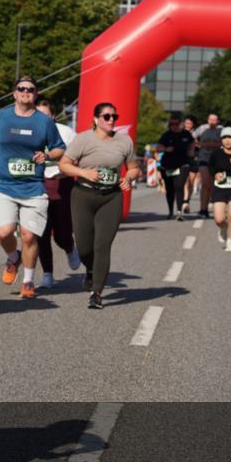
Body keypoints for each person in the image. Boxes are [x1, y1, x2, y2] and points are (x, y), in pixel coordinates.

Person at [0, 77, 66, 299]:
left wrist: (46, 155)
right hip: (4, 186)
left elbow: (59, 149)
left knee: (28, 236)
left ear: (35, 95)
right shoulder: (0, 117)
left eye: (31, 89)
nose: (26, 92)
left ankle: (28, 282)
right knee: (4, 232)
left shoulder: (44, 122)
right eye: (22, 89)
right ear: (14, 94)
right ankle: (13, 257)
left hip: (33, 187)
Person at [58, 102, 141, 309]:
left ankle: (96, 292)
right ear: (96, 119)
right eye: (106, 116)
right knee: (85, 247)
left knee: (102, 245)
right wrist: (84, 172)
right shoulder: (84, 139)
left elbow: (133, 168)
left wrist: (128, 178)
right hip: (83, 195)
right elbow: (64, 165)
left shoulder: (124, 141)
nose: (111, 119)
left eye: (114, 116)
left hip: (110, 197)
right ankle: (91, 270)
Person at [36, 98, 80, 288]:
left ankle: (69, 247)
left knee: (61, 233)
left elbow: (80, 156)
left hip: (62, 183)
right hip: (37, 184)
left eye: (45, 115)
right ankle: (47, 273)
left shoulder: (67, 132)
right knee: (41, 233)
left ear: (53, 116)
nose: (42, 119)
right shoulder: (29, 132)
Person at [209, 125, 231, 251]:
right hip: (220, 188)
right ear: (221, 139)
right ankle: (223, 227)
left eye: (229, 137)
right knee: (219, 219)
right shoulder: (216, 153)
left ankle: (230, 241)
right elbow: (210, 167)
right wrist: (215, 174)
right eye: (224, 137)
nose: (227, 140)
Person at [155, 116, 195, 220]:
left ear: (180, 124)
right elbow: (158, 148)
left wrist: (191, 150)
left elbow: (192, 142)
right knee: (170, 189)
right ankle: (170, 211)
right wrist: (166, 149)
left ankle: (179, 212)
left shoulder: (186, 134)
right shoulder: (166, 135)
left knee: (179, 186)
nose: (174, 126)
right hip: (168, 166)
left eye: (176, 124)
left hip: (183, 164)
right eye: (172, 124)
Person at [193, 112, 223, 218]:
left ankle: (217, 209)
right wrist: (199, 145)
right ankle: (203, 209)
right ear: (208, 120)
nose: (212, 122)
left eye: (215, 120)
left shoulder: (221, 130)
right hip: (203, 158)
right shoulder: (202, 129)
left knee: (214, 186)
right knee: (205, 184)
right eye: (211, 119)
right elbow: (192, 138)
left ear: (218, 121)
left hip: (216, 160)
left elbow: (225, 143)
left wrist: (211, 144)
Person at [182, 115, 200, 211]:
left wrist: (196, 143)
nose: (188, 125)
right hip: (182, 158)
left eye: (190, 123)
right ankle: (184, 202)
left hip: (194, 158)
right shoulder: (181, 133)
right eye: (186, 123)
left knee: (191, 182)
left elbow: (201, 145)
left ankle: (187, 200)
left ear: (193, 124)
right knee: (184, 181)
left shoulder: (197, 134)